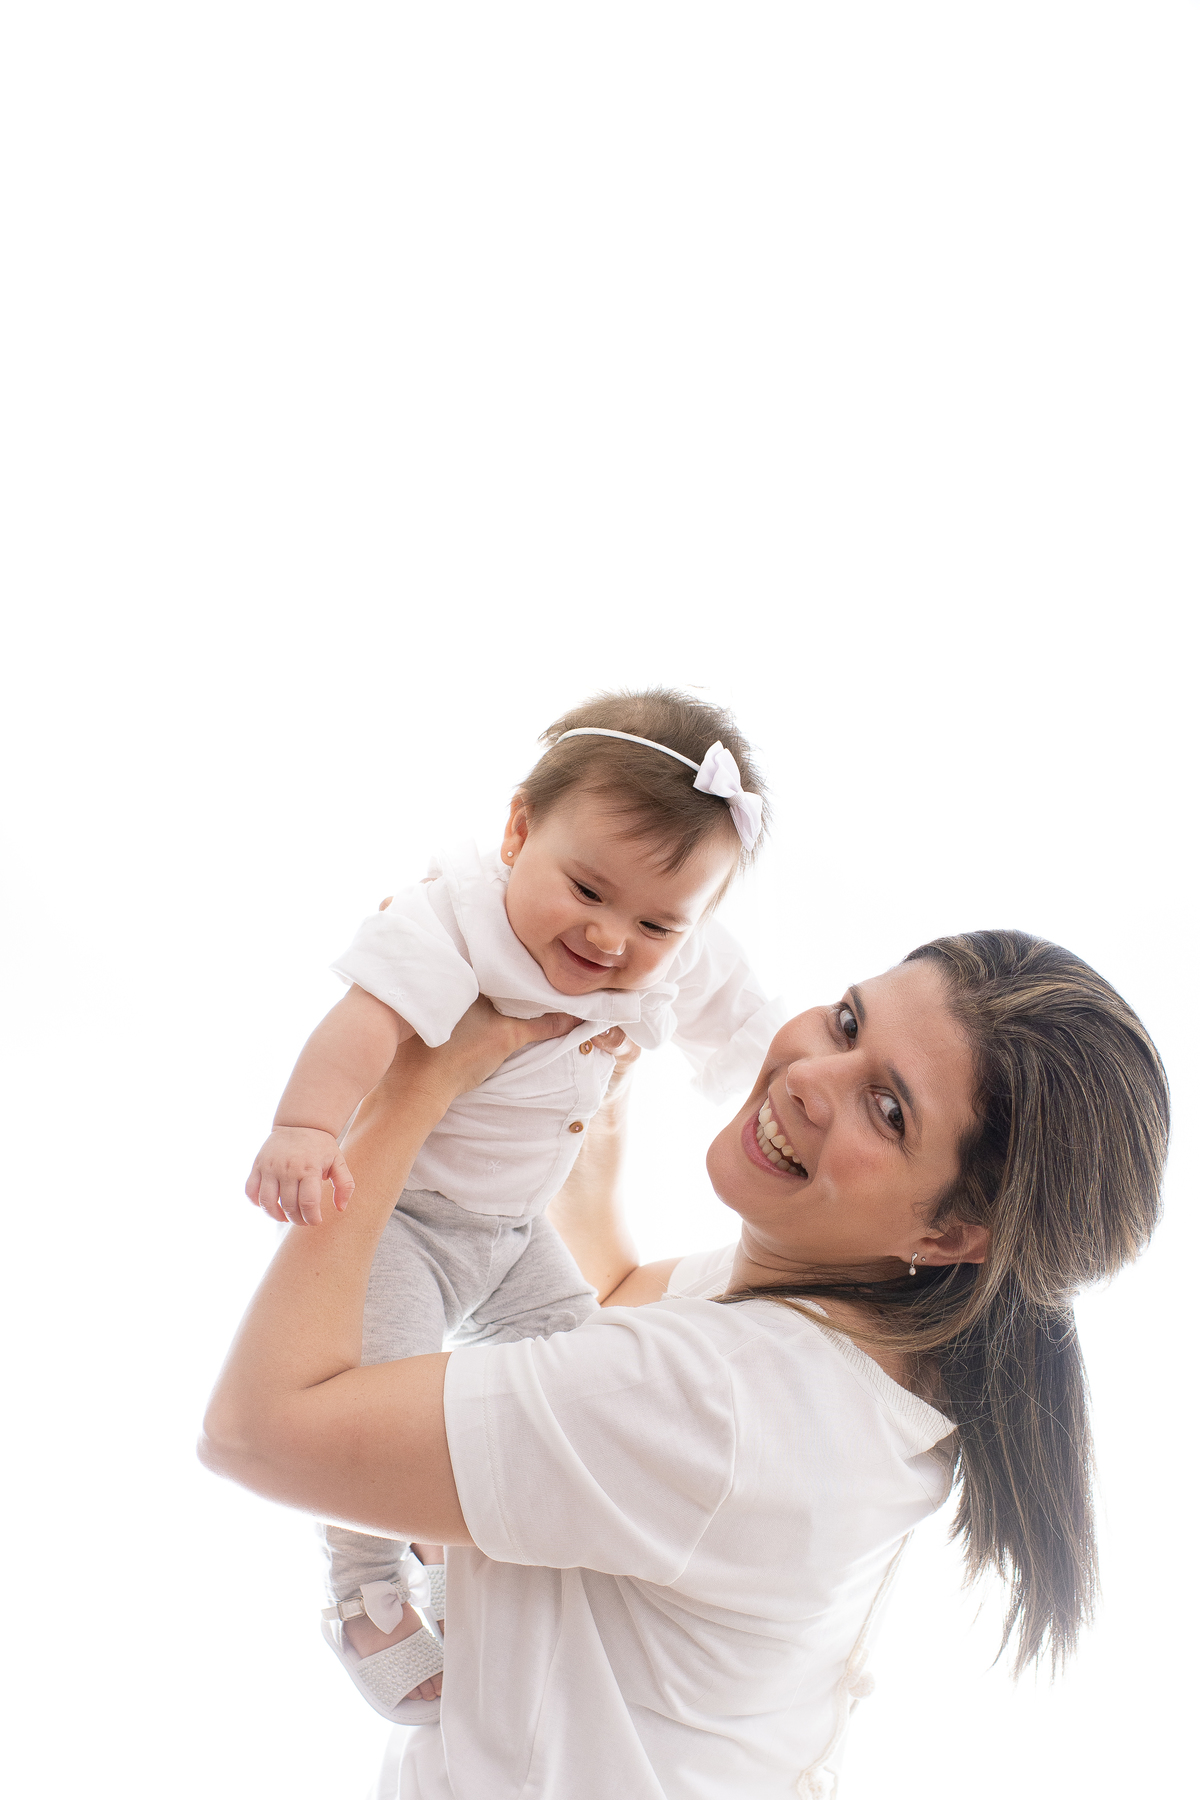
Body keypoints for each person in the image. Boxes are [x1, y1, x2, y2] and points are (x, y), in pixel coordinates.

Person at [202, 929, 1168, 1799]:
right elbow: (616, 1295)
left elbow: (255, 1431)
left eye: (886, 1109)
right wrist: (576, 1076)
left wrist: (414, 1080)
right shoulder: (871, 1333)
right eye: (845, 1022)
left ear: (953, 1232)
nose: (809, 1076)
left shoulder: (726, 1401)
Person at [241, 688, 785, 1719]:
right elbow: (359, 1028)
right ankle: (364, 1588)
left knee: (586, 1369)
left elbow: (753, 1032)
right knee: (373, 1402)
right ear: (518, 830)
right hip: (402, 1221)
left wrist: (801, 1089)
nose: (611, 936)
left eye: (657, 922)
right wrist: (307, 1129)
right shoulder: (453, 920)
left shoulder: (684, 952)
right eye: (586, 888)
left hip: (513, 1231)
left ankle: (463, 1544)